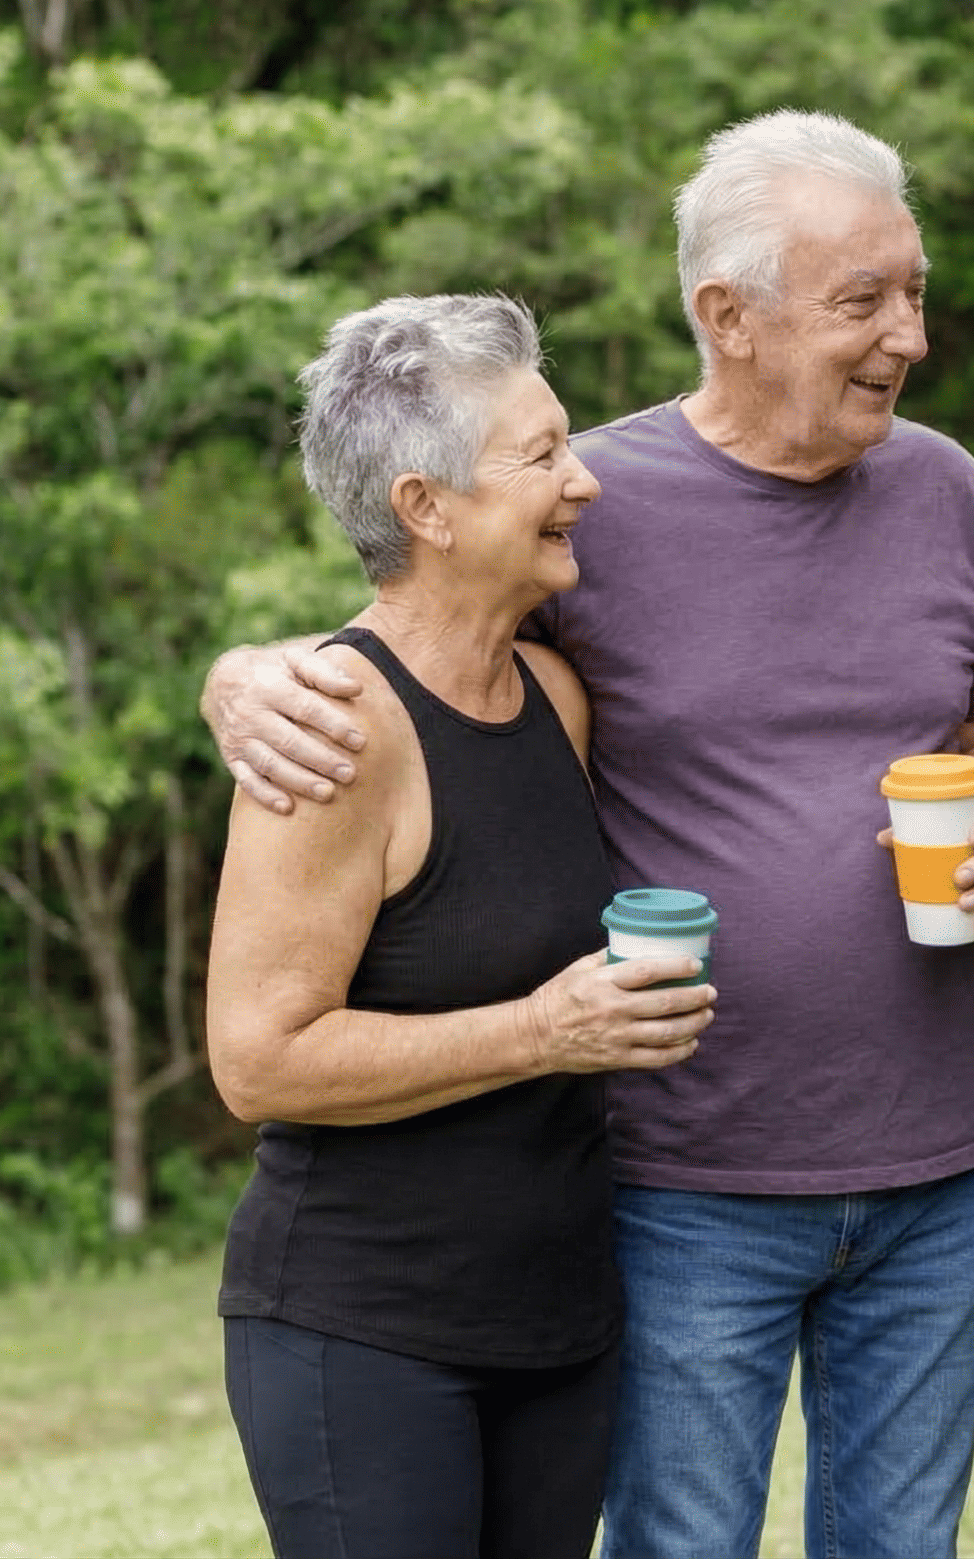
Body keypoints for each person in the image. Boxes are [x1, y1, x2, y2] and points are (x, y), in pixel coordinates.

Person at [201, 112, 974, 1559]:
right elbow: (412, 635)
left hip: (938, 1170)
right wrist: (237, 676)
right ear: (729, 317)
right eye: (862, 302)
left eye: (914, 290)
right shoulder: (594, 505)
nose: (909, 333)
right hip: (684, 1180)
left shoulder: (944, 486)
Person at [207, 293, 719, 1559]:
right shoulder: (337, 727)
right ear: (425, 507)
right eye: (542, 455)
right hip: (363, 1334)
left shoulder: (554, 694)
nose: (584, 481)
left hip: (558, 1328)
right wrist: (545, 1030)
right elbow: (257, 1058)